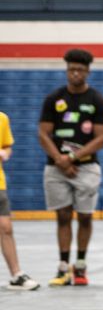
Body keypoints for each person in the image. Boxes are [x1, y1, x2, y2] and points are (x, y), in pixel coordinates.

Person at [38, 48, 103, 287]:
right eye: (71, 69)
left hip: (86, 169)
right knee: (63, 217)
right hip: (56, 169)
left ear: (87, 72)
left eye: (80, 69)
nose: (75, 74)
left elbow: (101, 138)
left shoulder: (97, 100)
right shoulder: (54, 99)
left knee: (86, 217)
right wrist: (60, 159)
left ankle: (80, 266)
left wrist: (73, 158)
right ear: (67, 70)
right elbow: (43, 133)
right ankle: (62, 267)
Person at [0, 110, 40, 290]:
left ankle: (16, 274)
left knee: (6, 227)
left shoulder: (2, 119)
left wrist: (5, 153)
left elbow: (7, 145)